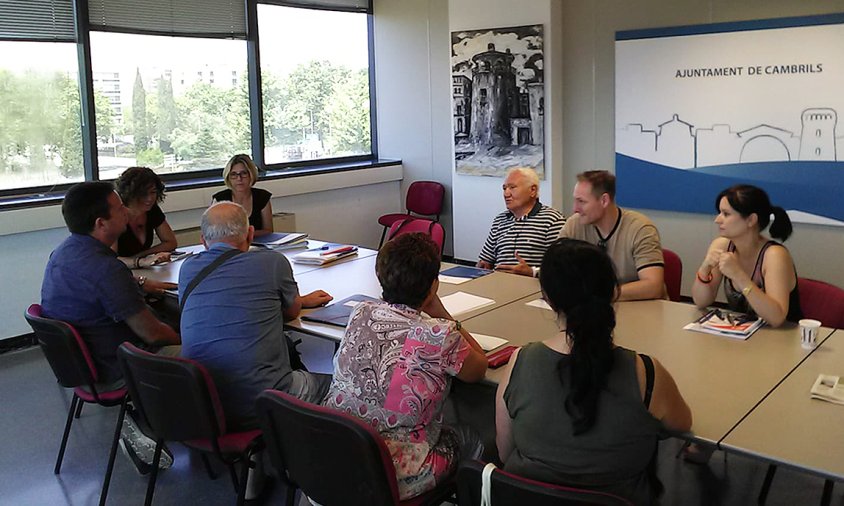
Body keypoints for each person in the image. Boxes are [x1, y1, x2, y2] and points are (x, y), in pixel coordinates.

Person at [495, 238, 692, 505]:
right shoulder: (645, 373)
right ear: (611, 292)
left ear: (548, 298)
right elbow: (681, 424)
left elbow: (505, 452)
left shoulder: (521, 361)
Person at [324, 233, 488, 500]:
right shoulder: (438, 334)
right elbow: (478, 368)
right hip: (389, 473)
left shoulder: (361, 312)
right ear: (434, 285)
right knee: (472, 436)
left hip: (336, 453)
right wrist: (443, 314)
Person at [41, 182, 181, 473]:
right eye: (119, 209)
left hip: (83, 367)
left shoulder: (63, 254)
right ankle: (204, 431)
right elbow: (152, 333)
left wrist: (140, 284)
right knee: (212, 350)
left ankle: (145, 417)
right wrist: (188, 338)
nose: (127, 213)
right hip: (117, 367)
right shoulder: (105, 269)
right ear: (101, 223)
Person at [179, 201, 333, 430]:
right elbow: (291, 311)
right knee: (342, 386)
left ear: (203, 240)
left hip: (205, 409)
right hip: (263, 401)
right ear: (250, 234)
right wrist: (299, 301)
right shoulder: (271, 262)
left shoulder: (187, 268)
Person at [692, 184, 801, 327]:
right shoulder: (722, 246)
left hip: (782, 339)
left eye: (726, 214)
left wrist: (738, 275)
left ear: (751, 220)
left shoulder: (775, 255)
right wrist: (704, 269)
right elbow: (701, 302)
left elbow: (777, 318)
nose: (717, 219)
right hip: (742, 335)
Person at [561, 170, 665, 301]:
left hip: (640, 309)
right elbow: (555, 269)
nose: (575, 208)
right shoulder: (574, 225)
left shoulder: (641, 229)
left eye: (581, 201)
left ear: (604, 200)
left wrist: (599, 294)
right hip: (592, 308)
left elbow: (653, 287)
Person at [477, 167, 565, 277]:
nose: (506, 194)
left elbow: (563, 270)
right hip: (498, 285)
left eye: (512, 187)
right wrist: (482, 266)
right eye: (504, 188)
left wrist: (532, 272)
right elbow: (485, 261)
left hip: (533, 288)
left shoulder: (552, 221)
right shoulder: (500, 220)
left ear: (532, 190)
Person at [114, 166, 178, 268]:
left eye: (153, 192)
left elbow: (171, 242)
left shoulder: (152, 210)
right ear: (130, 194)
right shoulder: (115, 215)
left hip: (142, 270)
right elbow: (111, 259)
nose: (150, 199)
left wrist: (143, 255)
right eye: (143, 194)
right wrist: (140, 261)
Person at [212, 154, 274, 237]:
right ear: (228, 177)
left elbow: (268, 231)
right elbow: (214, 233)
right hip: (229, 247)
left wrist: (243, 235)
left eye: (243, 173)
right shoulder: (220, 199)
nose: (239, 179)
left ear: (251, 175)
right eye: (233, 174)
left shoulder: (262, 197)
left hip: (258, 246)